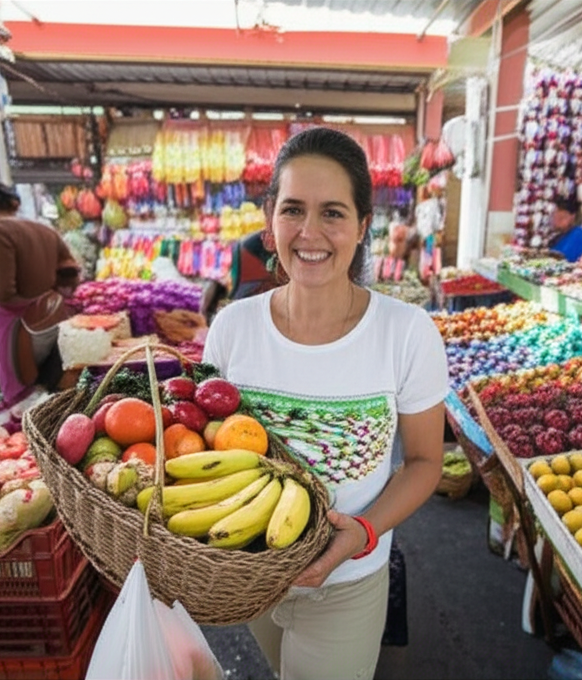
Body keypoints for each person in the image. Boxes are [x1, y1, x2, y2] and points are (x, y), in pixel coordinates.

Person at [202, 127, 448, 680]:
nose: (310, 233)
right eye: (293, 210)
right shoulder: (233, 328)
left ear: (363, 226)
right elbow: (207, 446)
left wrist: (360, 534)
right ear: (270, 221)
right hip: (251, 571)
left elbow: (425, 463)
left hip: (349, 581)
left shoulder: (407, 333)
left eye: (333, 213)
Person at [0, 180, 81, 406]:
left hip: (15, 335)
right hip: (51, 329)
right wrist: (49, 301)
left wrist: (30, 305)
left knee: (25, 405)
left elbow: (2, 294)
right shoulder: (45, 230)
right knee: (48, 399)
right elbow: (70, 275)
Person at [547, 196, 582, 263]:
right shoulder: (557, 237)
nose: (556, 220)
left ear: (572, 217)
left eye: (562, 217)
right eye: (554, 216)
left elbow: (565, 259)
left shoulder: (579, 235)